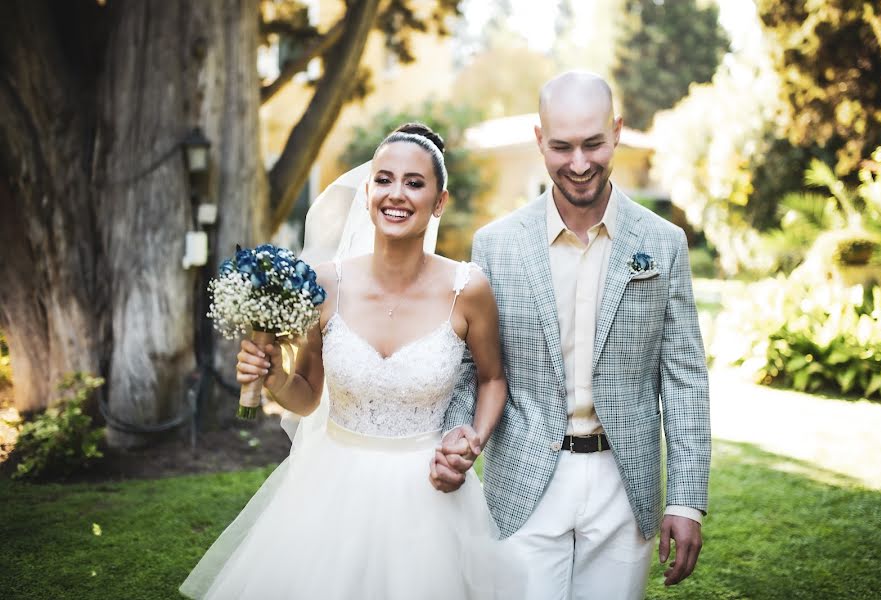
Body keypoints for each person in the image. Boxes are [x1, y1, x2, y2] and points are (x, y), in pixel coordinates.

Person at [180, 124, 515, 599]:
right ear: (367, 190)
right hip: (329, 491)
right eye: (384, 179)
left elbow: (493, 379)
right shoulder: (324, 284)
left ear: (439, 201)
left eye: (415, 183)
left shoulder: (468, 289)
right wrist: (273, 376)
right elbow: (307, 394)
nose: (396, 194)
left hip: (428, 494)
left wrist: (472, 440)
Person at [433, 71, 711, 599]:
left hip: (624, 483)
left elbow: (684, 379)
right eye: (561, 147)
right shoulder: (495, 245)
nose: (579, 164)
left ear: (617, 132)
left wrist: (685, 500)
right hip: (523, 478)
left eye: (593, 144)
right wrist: (455, 434)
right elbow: (471, 366)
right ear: (540, 140)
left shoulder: (664, 242)